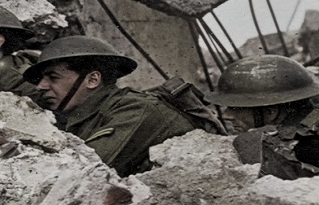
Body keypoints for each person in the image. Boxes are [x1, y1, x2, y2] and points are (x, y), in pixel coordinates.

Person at [22, 35, 197, 176]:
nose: (41, 86)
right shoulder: (85, 114)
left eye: (53, 77)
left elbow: (82, 173)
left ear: (92, 80)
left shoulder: (134, 110)